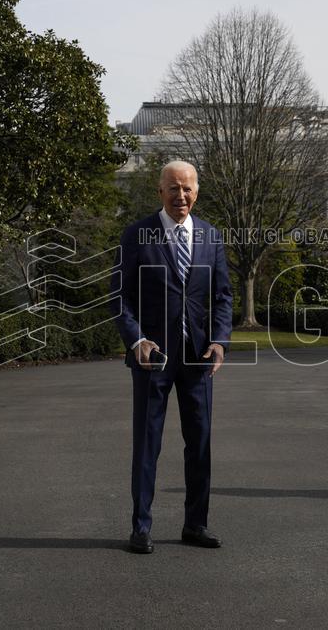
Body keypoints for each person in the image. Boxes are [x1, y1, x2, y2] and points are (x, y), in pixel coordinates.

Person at [110, 160, 233, 554]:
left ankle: (196, 524)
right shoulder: (137, 235)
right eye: (173, 188)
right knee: (148, 444)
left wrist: (220, 341)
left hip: (198, 358)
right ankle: (141, 527)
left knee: (200, 443)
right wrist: (137, 340)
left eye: (187, 188)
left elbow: (222, 296)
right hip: (153, 358)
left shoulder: (211, 236)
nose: (181, 195)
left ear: (197, 191)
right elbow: (120, 297)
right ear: (160, 191)